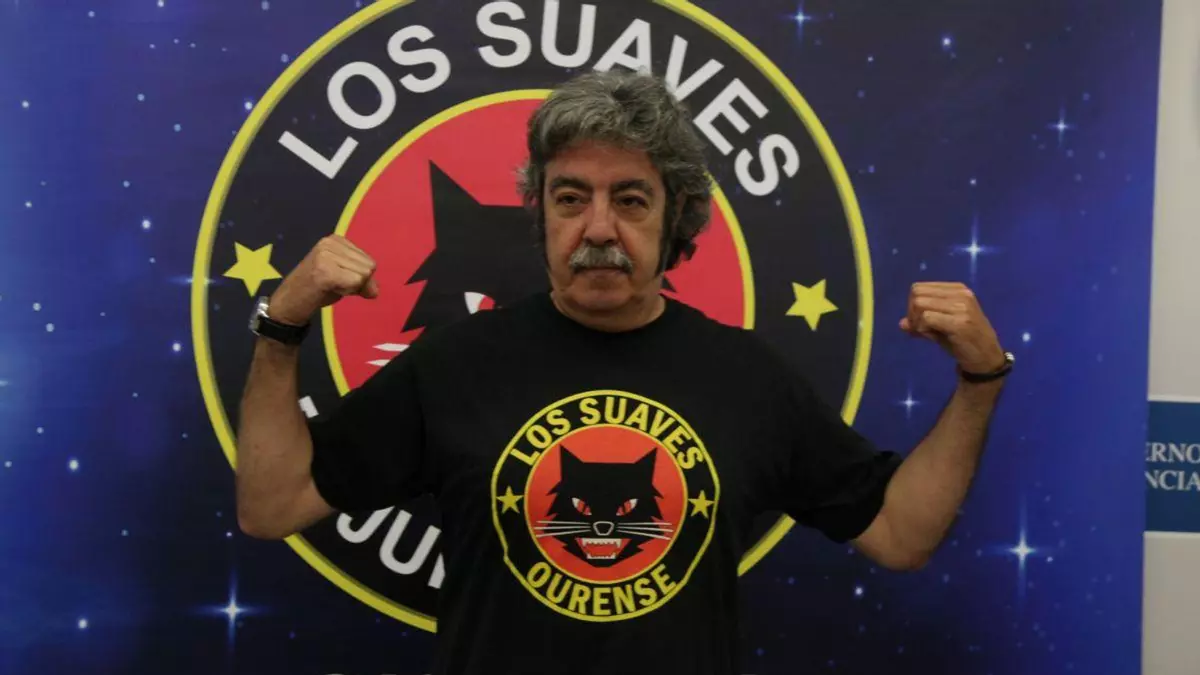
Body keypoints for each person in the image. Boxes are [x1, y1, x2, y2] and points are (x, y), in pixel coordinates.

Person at [235, 70, 1012, 675]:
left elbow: (901, 532)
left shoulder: (747, 377)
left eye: (631, 200)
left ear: (677, 220)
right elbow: (271, 505)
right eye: (571, 198)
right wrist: (283, 328)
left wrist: (981, 382)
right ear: (539, 214)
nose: (598, 228)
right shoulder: (453, 364)